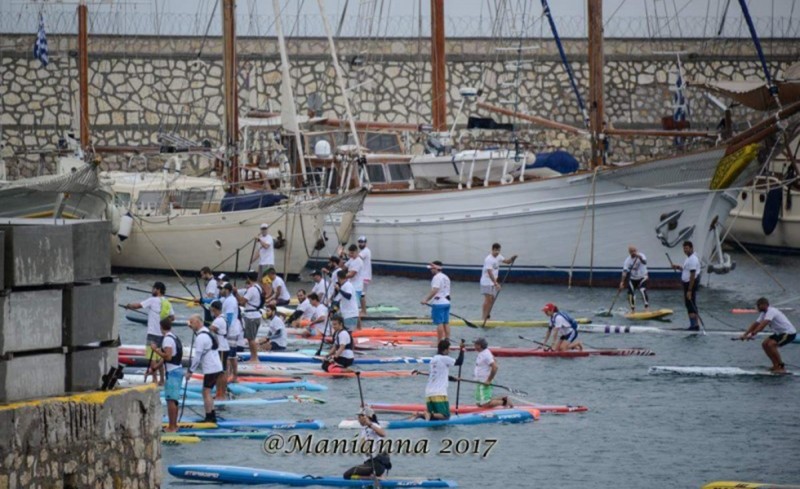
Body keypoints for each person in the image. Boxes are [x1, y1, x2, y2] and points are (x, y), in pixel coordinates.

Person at [125, 281, 175, 385]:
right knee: (161, 357)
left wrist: (129, 306)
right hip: (163, 334)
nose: (152, 290)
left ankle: (154, 380)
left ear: (158, 290)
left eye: (153, 288)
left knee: (152, 357)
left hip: (152, 333)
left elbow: (138, 305)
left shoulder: (152, 300)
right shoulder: (167, 302)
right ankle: (162, 380)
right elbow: (172, 317)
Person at [738, 297, 797, 373]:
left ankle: (781, 366)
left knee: (771, 345)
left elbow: (762, 325)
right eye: (757, 305)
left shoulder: (771, 311)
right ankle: (775, 365)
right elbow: (756, 324)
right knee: (764, 344)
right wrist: (745, 334)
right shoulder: (763, 313)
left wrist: (751, 335)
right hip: (779, 333)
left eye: (759, 305)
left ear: (765, 305)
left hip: (789, 333)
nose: (758, 307)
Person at [413, 339, 464, 420]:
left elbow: (438, 375)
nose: (449, 351)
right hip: (439, 393)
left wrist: (452, 378)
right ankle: (426, 414)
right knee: (446, 416)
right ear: (445, 349)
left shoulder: (433, 360)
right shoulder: (444, 358)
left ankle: (421, 415)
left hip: (429, 393)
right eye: (448, 349)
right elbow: (459, 362)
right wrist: (462, 349)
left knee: (435, 418)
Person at [186, 314, 224, 423]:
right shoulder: (206, 331)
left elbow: (197, 357)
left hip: (211, 368)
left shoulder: (201, 337)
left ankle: (209, 418)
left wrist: (190, 371)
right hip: (216, 367)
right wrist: (192, 327)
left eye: (192, 323)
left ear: (198, 322)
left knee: (206, 392)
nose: (191, 325)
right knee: (207, 391)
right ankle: (212, 415)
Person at [150, 317, 183, 432]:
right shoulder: (174, 336)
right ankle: (174, 425)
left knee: (170, 400)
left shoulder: (167, 340)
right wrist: (155, 367)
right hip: (178, 369)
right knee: (174, 400)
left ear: (161, 327)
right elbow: (167, 359)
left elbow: (167, 356)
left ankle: (172, 427)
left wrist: (155, 350)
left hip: (173, 372)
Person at [343, 406, 391, 480]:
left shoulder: (373, 425)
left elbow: (383, 434)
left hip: (375, 465)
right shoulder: (365, 428)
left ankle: (372, 478)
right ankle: (375, 476)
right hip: (371, 465)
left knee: (347, 475)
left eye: (359, 417)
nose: (358, 420)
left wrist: (369, 424)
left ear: (365, 417)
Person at [480, 243, 518, 321]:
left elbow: (507, 261)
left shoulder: (499, 256)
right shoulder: (488, 259)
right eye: (496, 250)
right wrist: (496, 283)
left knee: (492, 299)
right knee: (488, 299)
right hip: (486, 282)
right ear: (492, 250)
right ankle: (483, 317)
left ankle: (488, 316)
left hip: (493, 282)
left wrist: (512, 259)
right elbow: (490, 273)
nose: (497, 252)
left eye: (498, 250)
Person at [472, 337, 512, 408]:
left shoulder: (486, 354)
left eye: (475, 344)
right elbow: (494, 360)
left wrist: (489, 380)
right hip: (480, 381)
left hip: (485, 382)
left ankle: (504, 402)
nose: (474, 346)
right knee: (479, 404)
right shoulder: (483, 353)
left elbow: (495, 367)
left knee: (485, 404)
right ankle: (504, 398)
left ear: (479, 346)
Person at [671, 240, 701, 330]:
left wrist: (689, 290)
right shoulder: (688, 258)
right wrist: (678, 267)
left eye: (687, 248)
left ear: (691, 248)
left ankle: (694, 325)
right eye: (684, 249)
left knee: (690, 304)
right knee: (691, 304)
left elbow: (692, 275)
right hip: (687, 283)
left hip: (690, 284)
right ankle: (695, 324)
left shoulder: (692, 259)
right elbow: (686, 270)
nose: (685, 250)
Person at [421, 260, 451, 343]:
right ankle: (447, 340)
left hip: (439, 304)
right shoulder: (446, 277)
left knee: (439, 323)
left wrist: (426, 300)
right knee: (446, 322)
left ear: (436, 268)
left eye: (431, 268)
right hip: (447, 303)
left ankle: (439, 342)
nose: (430, 270)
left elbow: (435, 290)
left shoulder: (437, 277)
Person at [238, 271, 264, 364]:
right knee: (251, 338)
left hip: (251, 316)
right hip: (256, 315)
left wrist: (235, 293)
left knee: (251, 339)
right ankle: (254, 357)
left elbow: (242, 302)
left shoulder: (252, 289)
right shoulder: (259, 287)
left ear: (248, 278)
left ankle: (254, 358)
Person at [220, 282, 243, 382]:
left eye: (222, 289)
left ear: (227, 290)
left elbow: (229, 317)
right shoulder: (228, 299)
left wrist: (224, 330)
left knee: (228, 356)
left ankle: (228, 377)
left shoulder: (230, 301)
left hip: (231, 330)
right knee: (232, 356)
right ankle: (234, 377)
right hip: (233, 329)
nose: (220, 291)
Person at [207, 300, 229, 400]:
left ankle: (221, 394)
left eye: (212, 310)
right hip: (222, 347)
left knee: (221, 372)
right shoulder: (223, 318)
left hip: (222, 348)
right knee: (220, 371)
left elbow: (210, 329)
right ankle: (220, 393)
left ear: (215, 309)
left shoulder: (219, 320)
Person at [619, 245, 649, 313]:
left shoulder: (642, 255)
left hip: (643, 277)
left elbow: (645, 262)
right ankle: (633, 309)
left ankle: (646, 307)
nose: (634, 252)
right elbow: (624, 272)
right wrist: (622, 282)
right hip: (633, 278)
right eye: (632, 251)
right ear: (629, 252)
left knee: (642, 289)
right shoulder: (627, 261)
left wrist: (640, 258)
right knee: (630, 293)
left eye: (635, 251)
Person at [344, 244, 365, 328]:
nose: (351, 255)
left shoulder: (358, 261)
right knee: (351, 307)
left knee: (355, 309)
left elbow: (352, 274)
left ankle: (359, 329)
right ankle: (355, 327)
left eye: (352, 253)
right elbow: (343, 267)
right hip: (350, 287)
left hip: (357, 288)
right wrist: (340, 256)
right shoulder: (351, 259)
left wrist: (341, 276)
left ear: (357, 252)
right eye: (350, 253)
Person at [357, 236, 373, 316]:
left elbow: (357, 257)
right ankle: (363, 310)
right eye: (359, 242)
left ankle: (364, 312)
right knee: (361, 294)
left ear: (365, 243)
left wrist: (345, 252)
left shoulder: (365, 251)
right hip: (364, 276)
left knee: (362, 294)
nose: (360, 243)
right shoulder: (363, 251)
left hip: (365, 276)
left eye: (362, 242)